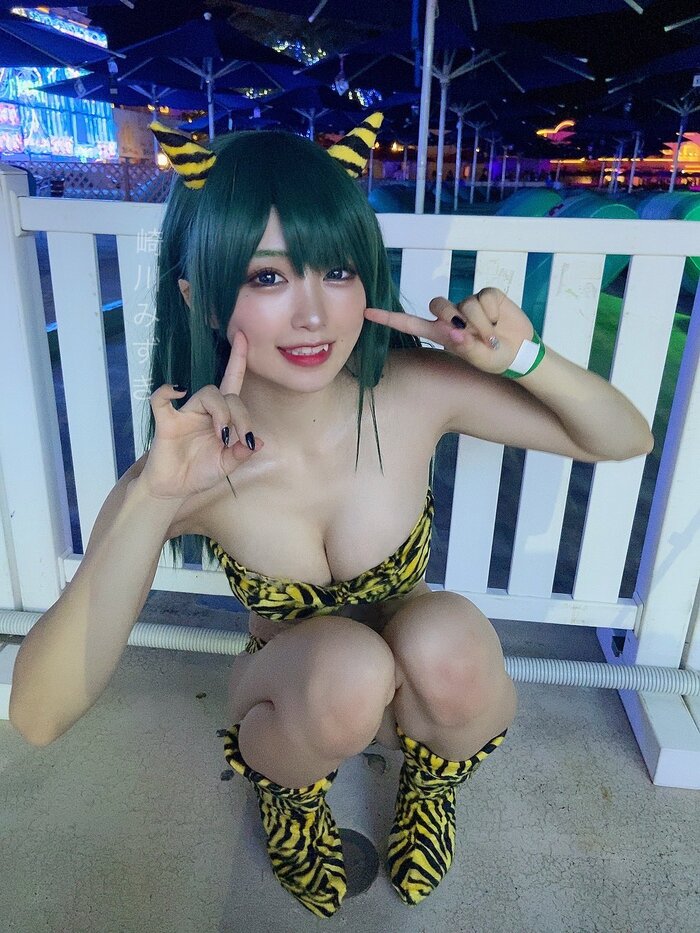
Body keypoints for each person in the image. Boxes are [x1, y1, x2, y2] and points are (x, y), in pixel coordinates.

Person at [9, 114, 654, 919]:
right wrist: (154, 496)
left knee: (450, 636)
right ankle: (288, 795)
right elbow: (38, 714)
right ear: (199, 296)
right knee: (350, 665)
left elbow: (624, 437)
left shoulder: (415, 392)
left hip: (420, 684)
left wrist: (523, 359)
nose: (314, 314)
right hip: (297, 701)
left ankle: (430, 784)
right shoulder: (191, 468)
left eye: (338, 270)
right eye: (267, 277)